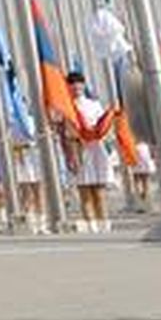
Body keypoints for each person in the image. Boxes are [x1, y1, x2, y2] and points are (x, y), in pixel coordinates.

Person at [65, 72, 115, 232]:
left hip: (96, 148)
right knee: (84, 190)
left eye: (79, 83)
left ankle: (104, 223)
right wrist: (71, 153)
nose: (76, 86)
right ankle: (91, 225)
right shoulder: (67, 107)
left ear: (84, 85)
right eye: (72, 83)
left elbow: (104, 126)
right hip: (79, 148)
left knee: (98, 189)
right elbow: (65, 132)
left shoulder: (94, 105)